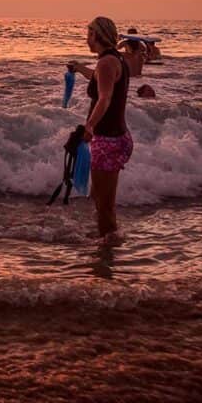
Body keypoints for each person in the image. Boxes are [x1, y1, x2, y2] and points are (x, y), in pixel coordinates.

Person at [72, 16, 132, 242]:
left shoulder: (106, 63)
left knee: (104, 205)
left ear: (96, 36)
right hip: (116, 137)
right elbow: (99, 79)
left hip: (109, 140)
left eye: (89, 34)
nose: (86, 39)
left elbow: (105, 98)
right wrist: (79, 69)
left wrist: (89, 126)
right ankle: (107, 238)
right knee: (100, 198)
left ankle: (107, 256)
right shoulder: (113, 59)